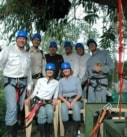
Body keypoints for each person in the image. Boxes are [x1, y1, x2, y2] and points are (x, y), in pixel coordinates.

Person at [0, 30, 33, 137]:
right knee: (12, 107)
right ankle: (11, 135)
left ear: (26, 41)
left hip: (23, 82)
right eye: (20, 38)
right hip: (10, 81)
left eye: (24, 39)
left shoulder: (27, 54)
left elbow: (29, 72)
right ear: (16, 39)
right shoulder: (8, 49)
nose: (22, 40)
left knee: (19, 107)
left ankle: (15, 131)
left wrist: (29, 85)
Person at [25, 63, 59, 137]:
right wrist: (29, 98)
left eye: (51, 70)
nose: (49, 71)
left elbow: (56, 95)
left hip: (48, 102)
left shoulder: (56, 83)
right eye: (48, 70)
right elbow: (34, 92)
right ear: (45, 71)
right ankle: (42, 135)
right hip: (38, 101)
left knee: (50, 112)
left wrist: (55, 99)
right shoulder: (40, 80)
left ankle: (47, 133)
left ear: (54, 71)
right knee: (42, 112)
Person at [81, 39, 114, 103]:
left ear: (96, 45)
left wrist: (101, 68)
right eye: (89, 45)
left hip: (101, 82)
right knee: (91, 103)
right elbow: (86, 75)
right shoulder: (89, 60)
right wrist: (77, 83)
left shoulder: (104, 53)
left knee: (100, 104)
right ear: (88, 47)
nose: (91, 45)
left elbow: (112, 66)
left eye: (92, 44)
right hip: (91, 84)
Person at [59, 62, 82, 137]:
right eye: (64, 69)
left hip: (76, 100)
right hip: (65, 100)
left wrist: (73, 101)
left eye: (67, 68)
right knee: (63, 108)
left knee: (75, 107)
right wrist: (66, 102)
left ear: (70, 69)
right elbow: (59, 95)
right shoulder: (61, 81)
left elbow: (80, 93)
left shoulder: (76, 79)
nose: (65, 70)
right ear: (62, 71)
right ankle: (67, 130)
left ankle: (75, 130)